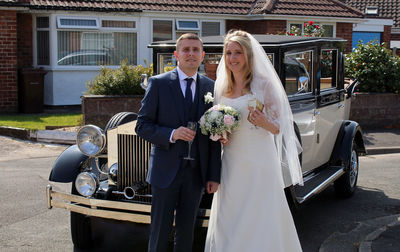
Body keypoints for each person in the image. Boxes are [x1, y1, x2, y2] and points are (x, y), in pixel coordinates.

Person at [204, 30, 304, 252]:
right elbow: (222, 122)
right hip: (232, 160)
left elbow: (280, 127)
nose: (232, 58)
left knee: (260, 213)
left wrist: (262, 121)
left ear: (248, 55)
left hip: (260, 160)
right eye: (228, 52)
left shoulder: (264, 84)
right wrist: (221, 134)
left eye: (237, 52)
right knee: (231, 212)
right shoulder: (221, 87)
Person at [135, 33, 221, 252]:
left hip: (196, 174)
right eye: (186, 49)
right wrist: (172, 133)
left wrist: (213, 175)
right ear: (176, 54)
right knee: (160, 230)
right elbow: (142, 126)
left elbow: (214, 136)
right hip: (165, 171)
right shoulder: (158, 84)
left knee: (187, 231)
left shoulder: (211, 88)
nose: (190, 54)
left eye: (195, 50)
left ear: (202, 56)